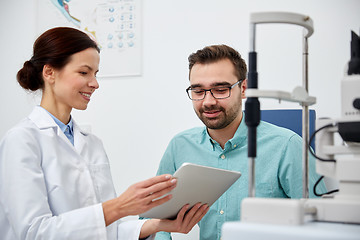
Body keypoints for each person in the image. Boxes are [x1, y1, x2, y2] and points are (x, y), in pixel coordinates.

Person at [0, 27, 208, 240]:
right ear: (50, 72)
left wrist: (157, 224)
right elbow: (33, 233)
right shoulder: (22, 140)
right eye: (84, 72)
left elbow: (109, 230)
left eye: (95, 74)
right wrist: (119, 206)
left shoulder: (92, 144)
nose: (95, 83)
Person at [155, 44, 327, 240]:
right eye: (198, 91)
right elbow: (151, 220)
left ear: (243, 88)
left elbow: (321, 225)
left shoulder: (287, 146)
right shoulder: (180, 146)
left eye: (220, 89)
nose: (208, 101)